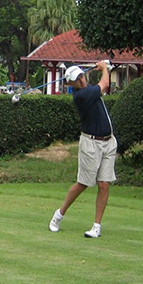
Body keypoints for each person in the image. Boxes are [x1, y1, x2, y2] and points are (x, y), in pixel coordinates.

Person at [48, 60, 116, 238]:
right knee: (83, 183)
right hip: (91, 144)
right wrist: (104, 68)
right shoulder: (81, 96)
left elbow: (101, 83)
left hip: (108, 142)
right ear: (71, 84)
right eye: (77, 79)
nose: (81, 80)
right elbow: (105, 83)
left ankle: (96, 226)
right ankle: (59, 215)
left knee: (104, 184)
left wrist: (102, 68)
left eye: (81, 76)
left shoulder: (88, 89)